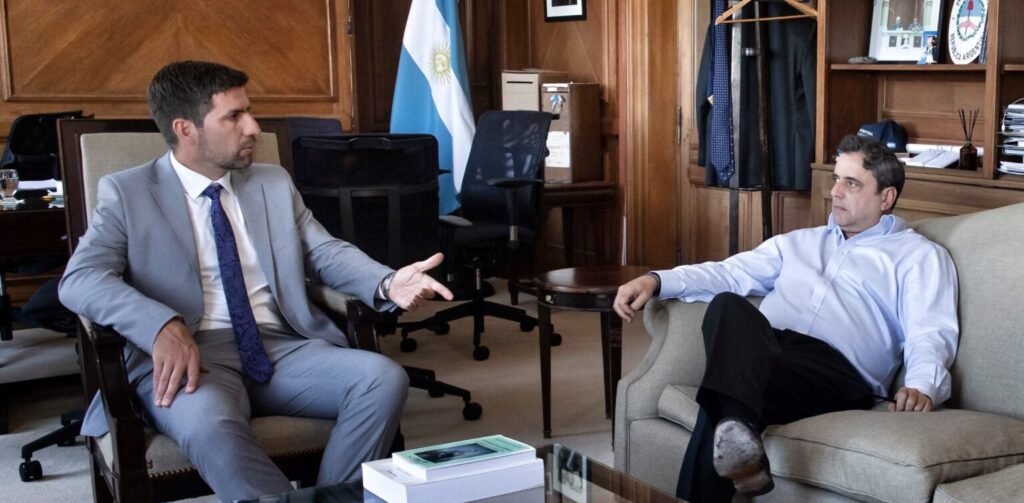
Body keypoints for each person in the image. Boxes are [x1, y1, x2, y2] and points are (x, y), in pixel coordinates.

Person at [58, 60, 454, 501]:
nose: (253, 127)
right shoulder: (128, 192)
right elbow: (81, 278)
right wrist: (159, 325)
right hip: (192, 357)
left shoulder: (272, 181)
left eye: (249, 111)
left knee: (383, 379)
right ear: (186, 129)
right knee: (209, 424)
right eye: (234, 116)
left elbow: (322, 251)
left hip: (282, 346)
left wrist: (385, 282)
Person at [613, 134, 958, 502]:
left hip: (834, 373)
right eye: (836, 179)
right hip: (767, 354)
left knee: (719, 405)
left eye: (852, 183)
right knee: (727, 306)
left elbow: (930, 329)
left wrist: (922, 385)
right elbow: (729, 273)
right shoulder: (798, 242)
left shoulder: (917, 255)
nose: (835, 191)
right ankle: (742, 449)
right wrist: (657, 280)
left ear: (886, 198)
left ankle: (738, 443)